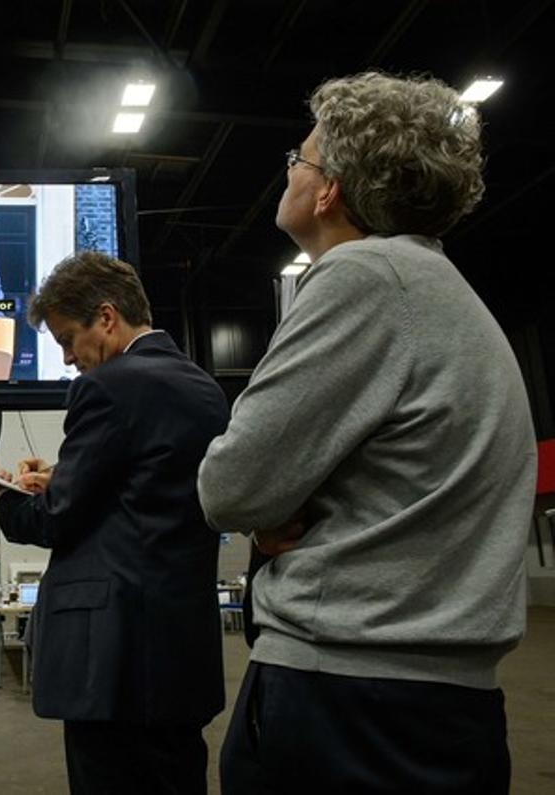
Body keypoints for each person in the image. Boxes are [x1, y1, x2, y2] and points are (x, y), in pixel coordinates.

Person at [197, 72, 536, 795]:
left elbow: (232, 486)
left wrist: (265, 517)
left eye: (301, 156)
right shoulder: (438, 289)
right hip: (440, 702)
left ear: (329, 190)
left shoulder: (363, 277)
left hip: (348, 700)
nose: (288, 168)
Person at [0, 251, 229, 795]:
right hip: (179, 653)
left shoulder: (108, 387)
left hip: (111, 662)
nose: (68, 359)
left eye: (68, 339)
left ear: (106, 317)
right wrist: (65, 473)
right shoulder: (204, 387)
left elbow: (55, 520)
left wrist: (3, 497)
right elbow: (144, 490)